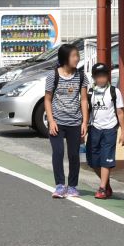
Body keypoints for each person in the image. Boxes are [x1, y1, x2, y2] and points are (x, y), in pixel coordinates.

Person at [43, 43, 89, 198]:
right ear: (65, 58)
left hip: (75, 122)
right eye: (74, 56)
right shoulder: (53, 76)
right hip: (57, 121)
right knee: (58, 152)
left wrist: (84, 122)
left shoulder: (81, 76)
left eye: (77, 55)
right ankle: (60, 185)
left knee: (74, 155)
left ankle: (73, 186)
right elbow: (47, 100)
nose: (77, 58)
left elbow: (83, 100)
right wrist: (51, 121)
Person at [86, 62, 124, 199]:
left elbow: (120, 112)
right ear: (94, 77)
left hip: (110, 129)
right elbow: (86, 111)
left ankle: (102, 188)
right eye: (98, 76)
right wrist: (84, 126)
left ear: (107, 76)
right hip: (94, 128)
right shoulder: (90, 92)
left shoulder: (114, 92)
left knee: (106, 160)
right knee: (93, 160)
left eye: (103, 76)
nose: (101, 79)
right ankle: (106, 184)